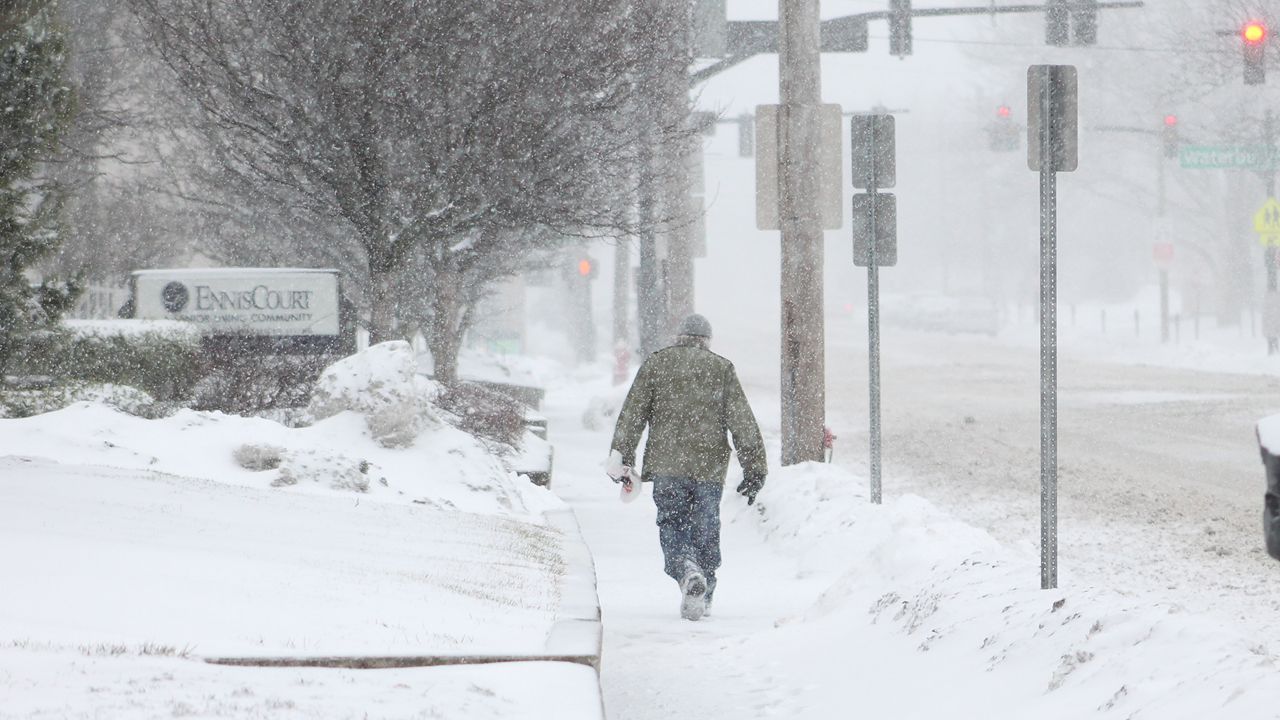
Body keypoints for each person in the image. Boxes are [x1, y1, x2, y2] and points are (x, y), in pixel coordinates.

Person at [607, 313, 767, 621]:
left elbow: (632, 416)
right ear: (707, 340)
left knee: (672, 524)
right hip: (709, 468)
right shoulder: (721, 369)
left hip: (667, 466)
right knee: (706, 528)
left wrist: (622, 458)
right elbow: (742, 422)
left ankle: (686, 572)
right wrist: (754, 467)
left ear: (679, 336)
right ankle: (704, 591)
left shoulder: (657, 364)